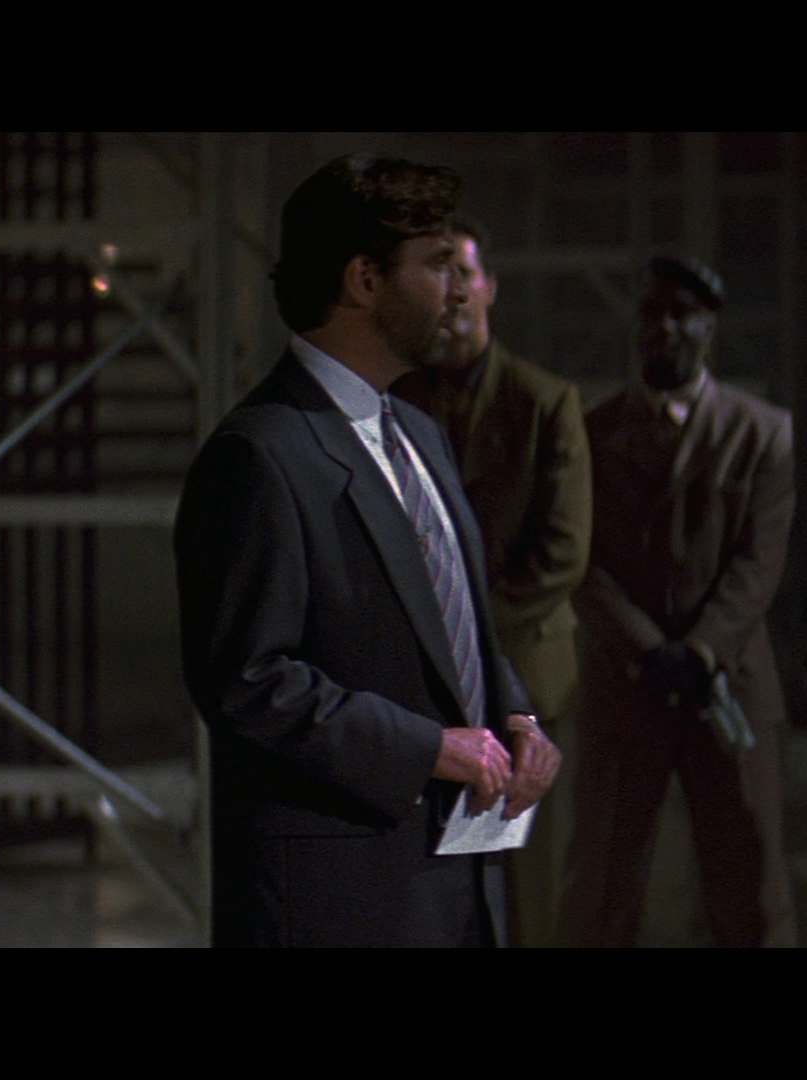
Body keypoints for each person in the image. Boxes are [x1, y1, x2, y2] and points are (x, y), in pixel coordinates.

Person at [173, 154, 559, 947]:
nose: (459, 292)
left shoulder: (418, 435)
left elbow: (449, 624)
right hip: (341, 901)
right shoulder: (260, 455)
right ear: (365, 279)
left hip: (455, 888)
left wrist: (514, 714)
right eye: (438, 266)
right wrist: (428, 748)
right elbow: (248, 684)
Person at [557, 255, 798, 947]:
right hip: (625, 685)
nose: (665, 328)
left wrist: (699, 652)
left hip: (727, 689)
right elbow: (582, 559)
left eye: (683, 314)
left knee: (749, 885)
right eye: (652, 312)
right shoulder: (592, 432)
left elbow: (759, 561)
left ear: (710, 328)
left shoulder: (763, 432)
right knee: (600, 885)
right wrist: (646, 649)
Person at [390, 215, 591, 947]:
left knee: (524, 878)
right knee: (428, 877)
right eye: (439, 273)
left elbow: (563, 552)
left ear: (490, 287)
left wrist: (466, 636)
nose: (453, 291)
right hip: (426, 686)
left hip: (524, 673)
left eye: (464, 273)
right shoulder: (402, 401)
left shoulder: (545, 402)